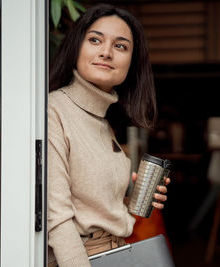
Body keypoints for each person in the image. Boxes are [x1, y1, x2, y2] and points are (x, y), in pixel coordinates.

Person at [48, 4, 170, 267]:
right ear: (76, 47)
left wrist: (130, 199)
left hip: (117, 254)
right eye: (95, 40)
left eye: (120, 46)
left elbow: (89, 206)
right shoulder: (54, 111)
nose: (106, 52)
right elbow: (55, 219)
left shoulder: (103, 122)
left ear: (131, 63)